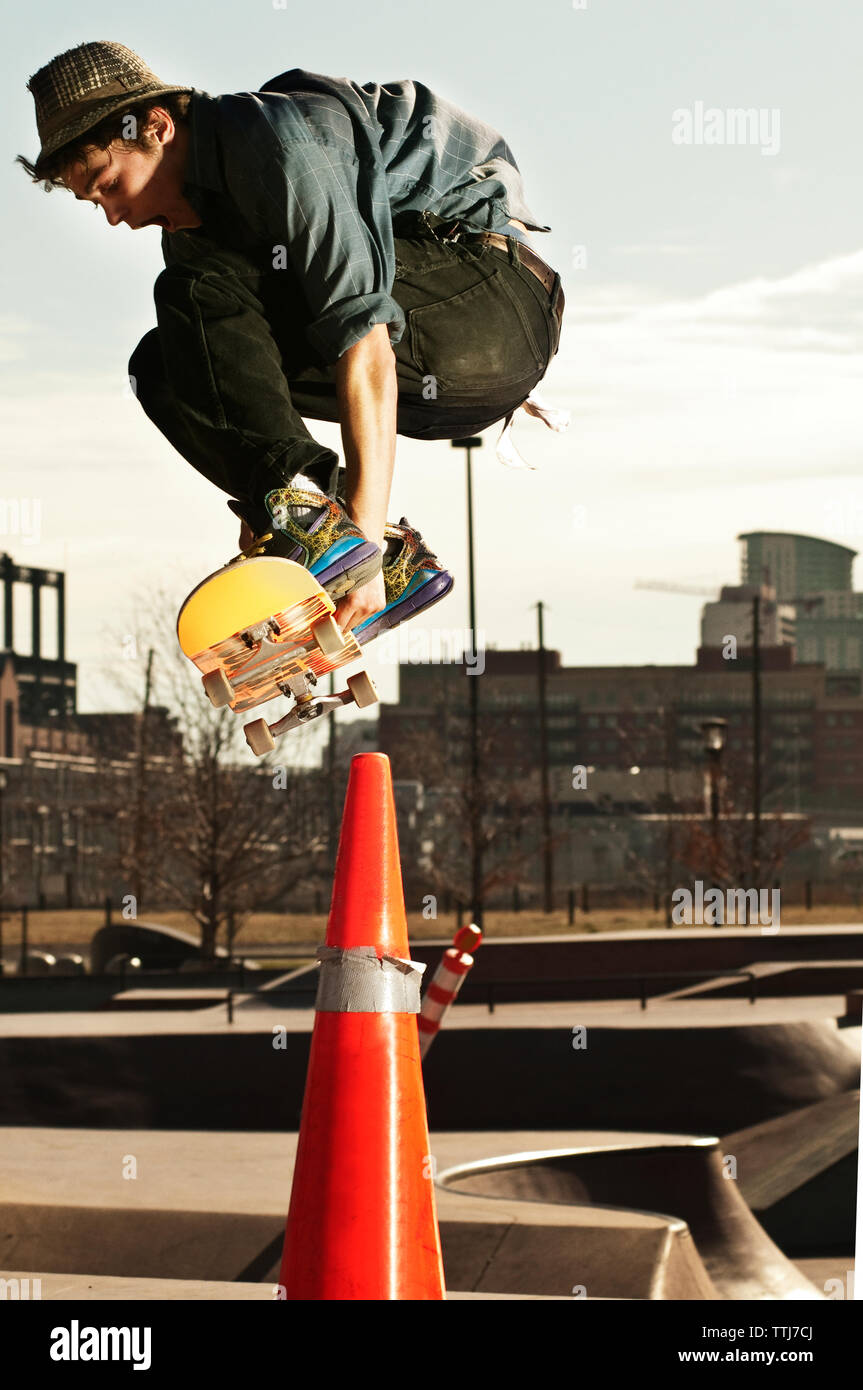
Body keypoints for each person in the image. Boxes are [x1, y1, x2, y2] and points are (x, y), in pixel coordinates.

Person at [18, 41, 566, 641]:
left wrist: (358, 541)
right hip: (439, 358)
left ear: (157, 127)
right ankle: (340, 533)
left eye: (110, 184)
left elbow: (365, 338)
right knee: (167, 364)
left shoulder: (282, 139)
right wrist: (263, 507)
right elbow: (232, 384)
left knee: (196, 289)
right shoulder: (199, 235)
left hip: (491, 303)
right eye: (93, 201)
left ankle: (342, 538)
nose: (114, 217)